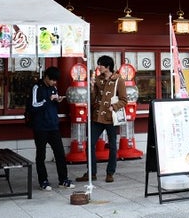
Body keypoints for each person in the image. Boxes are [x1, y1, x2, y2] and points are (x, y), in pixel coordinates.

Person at [76, 55, 127, 183]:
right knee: (90, 144)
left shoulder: (118, 80)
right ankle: (91, 172)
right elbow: (93, 100)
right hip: (97, 117)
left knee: (112, 145)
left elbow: (124, 100)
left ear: (107, 67)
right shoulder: (97, 80)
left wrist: (114, 107)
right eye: (98, 65)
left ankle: (110, 172)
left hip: (110, 117)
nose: (98, 67)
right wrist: (92, 88)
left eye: (101, 65)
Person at [30, 66, 75, 191]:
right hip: (40, 127)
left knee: (60, 153)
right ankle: (43, 180)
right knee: (41, 155)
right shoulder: (37, 87)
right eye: (52, 80)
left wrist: (57, 100)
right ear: (46, 77)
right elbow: (33, 105)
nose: (54, 83)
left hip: (53, 126)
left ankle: (63, 179)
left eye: (56, 81)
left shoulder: (53, 88)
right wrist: (47, 100)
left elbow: (53, 105)